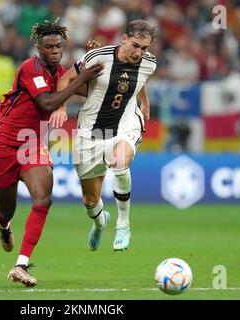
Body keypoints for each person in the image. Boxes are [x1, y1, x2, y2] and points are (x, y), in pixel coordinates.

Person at [0, 20, 103, 287]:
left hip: (31, 145)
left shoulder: (61, 73)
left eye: (58, 46)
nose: (54, 50)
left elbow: (91, 90)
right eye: (48, 46)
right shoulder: (30, 67)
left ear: (64, 46)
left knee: (43, 199)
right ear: (38, 48)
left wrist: (92, 63)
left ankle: (21, 265)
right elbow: (48, 102)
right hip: (4, 145)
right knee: (6, 210)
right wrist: (80, 77)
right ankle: (3, 227)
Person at [55, 19, 157, 252]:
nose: (139, 52)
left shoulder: (149, 63)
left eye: (144, 48)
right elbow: (65, 78)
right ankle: (100, 223)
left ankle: (123, 224)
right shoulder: (98, 56)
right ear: (123, 39)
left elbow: (140, 78)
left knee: (120, 162)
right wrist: (61, 107)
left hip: (125, 124)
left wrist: (144, 102)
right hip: (91, 131)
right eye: (135, 46)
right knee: (90, 201)